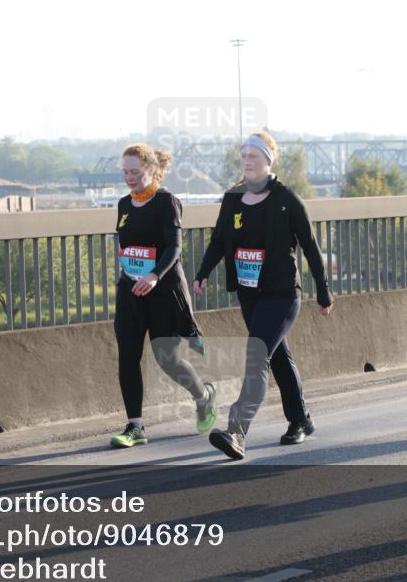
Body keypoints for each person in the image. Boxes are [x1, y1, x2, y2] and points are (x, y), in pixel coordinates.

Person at [193, 130, 332, 460]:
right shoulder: (233, 199)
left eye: (253, 156)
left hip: (283, 293)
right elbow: (218, 240)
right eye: (243, 157)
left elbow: (310, 247)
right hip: (249, 293)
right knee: (277, 356)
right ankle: (300, 419)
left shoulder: (286, 199)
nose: (247, 162)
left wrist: (324, 292)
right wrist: (202, 273)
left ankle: (236, 432)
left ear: (268, 161)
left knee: (257, 355)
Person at [110, 144, 216, 448]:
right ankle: (135, 426)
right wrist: (133, 272)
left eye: (135, 172)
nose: (129, 178)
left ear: (152, 171)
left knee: (167, 359)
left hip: (162, 291)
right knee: (128, 356)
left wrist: (154, 276)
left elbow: (174, 247)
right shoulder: (123, 205)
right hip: (130, 290)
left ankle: (203, 395)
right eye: (125, 172)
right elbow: (129, 247)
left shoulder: (167, 202)